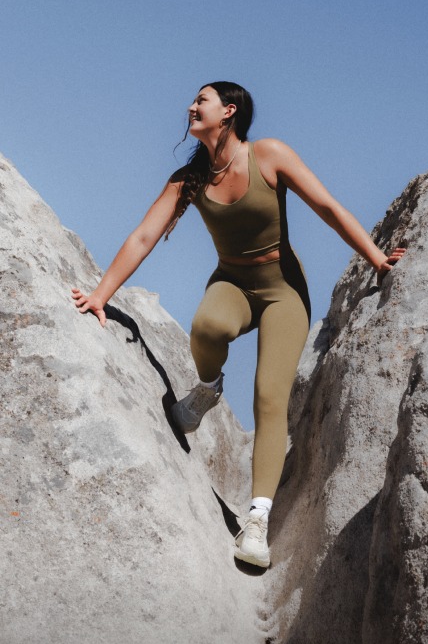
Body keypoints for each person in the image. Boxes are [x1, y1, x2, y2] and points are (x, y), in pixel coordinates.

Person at [72, 81, 405, 569]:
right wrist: (100, 296)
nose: (190, 106)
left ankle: (257, 521)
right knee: (206, 327)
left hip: (283, 291)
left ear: (228, 112)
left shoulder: (268, 155)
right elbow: (145, 235)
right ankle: (206, 392)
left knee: (270, 397)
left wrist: (377, 260)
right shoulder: (189, 178)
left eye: (201, 100)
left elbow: (329, 208)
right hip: (232, 282)